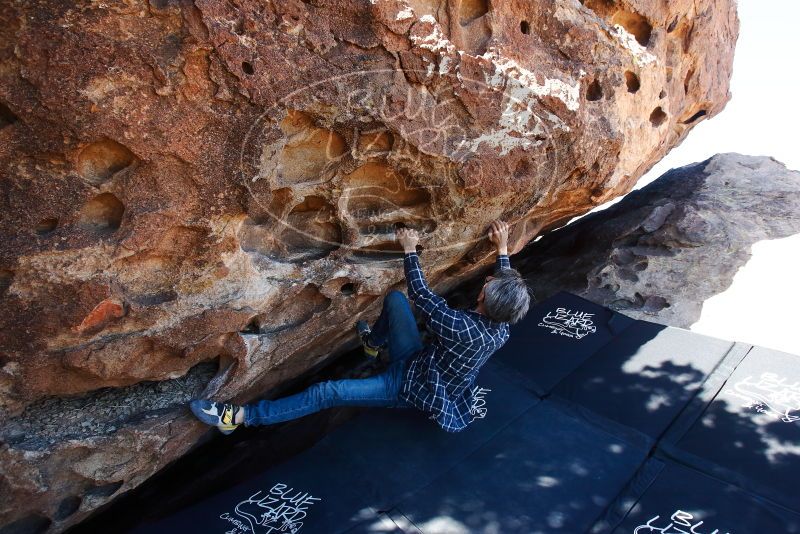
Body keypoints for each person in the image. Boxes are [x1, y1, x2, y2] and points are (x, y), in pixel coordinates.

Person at [190, 220, 531, 434]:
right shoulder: (501, 327)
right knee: (395, 302)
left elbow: (423, 295)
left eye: (489, 283)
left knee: (329, 392)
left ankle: (240, 417)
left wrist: (409, 250)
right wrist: (502, 250)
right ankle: (373, 345)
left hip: (409, 388)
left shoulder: (461, 327)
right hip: (421, 362)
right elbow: (502, 293)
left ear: (486, 295)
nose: (486, 280)